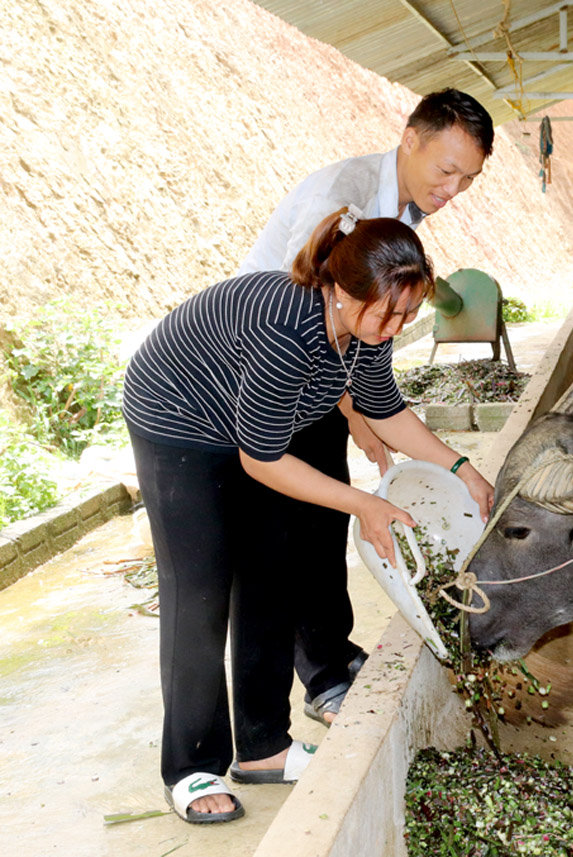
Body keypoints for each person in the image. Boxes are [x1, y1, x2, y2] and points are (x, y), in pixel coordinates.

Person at [124, 208, 494, 823]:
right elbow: (264, 461)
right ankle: (191, 767)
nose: (397, 325)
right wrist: (364, 504)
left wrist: (463, 469)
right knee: (201, 593)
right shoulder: (286, 329)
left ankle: (264, 747)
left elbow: (385, 409)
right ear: (344, 291)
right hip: (179, 424)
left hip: (252, 429)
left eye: (408, 312)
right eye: (388, 312)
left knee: (272, 574)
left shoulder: (368, 329)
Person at [238, 88, 495, 727]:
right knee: (293, 527)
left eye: (468, 179)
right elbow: (313, 299)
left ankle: (333, 654)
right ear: (411, 138)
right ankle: (321, 681)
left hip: (326, 366)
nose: (453, 189)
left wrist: (360, 404)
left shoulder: (408, 204)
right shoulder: (346, 198)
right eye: (447, 170)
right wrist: (354, 409)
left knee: (327, 523)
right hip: (274, 368)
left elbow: (361, 332)